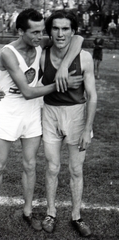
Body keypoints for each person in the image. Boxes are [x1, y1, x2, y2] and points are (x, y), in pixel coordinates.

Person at [0, 8, 83, 231]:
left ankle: (28, 211)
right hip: (9, 111)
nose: (40, 36)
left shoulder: (39, 43)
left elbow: (78, 38)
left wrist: (63, 67)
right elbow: (27, 91)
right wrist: (63, 84)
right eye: (34, 32)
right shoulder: (7, 53)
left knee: (30, 165)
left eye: (41, 31)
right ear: (21, 31)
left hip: (32, 112)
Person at [39, 10, 97, 237]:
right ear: (50, 31)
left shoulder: (84, 57)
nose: (60, 33)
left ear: (73, 31)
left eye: (65, 29)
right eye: (55, 28)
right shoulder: (42, 54)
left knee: (76, 169)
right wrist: (1, 90)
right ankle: (51, 212)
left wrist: (87, 128)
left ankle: (76, 215)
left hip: (77, 115)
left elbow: (92, 95)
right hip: (50, 113)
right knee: (52, 167)